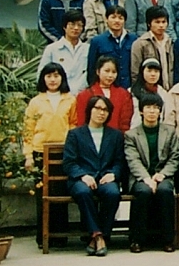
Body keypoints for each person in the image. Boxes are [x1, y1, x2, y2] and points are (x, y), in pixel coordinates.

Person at [63, 95, 125, 257]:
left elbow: (120, 161)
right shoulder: (75, 134)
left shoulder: (116, 135)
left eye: (105, 110)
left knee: (113, 193)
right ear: (89, 110)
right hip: (81, 179)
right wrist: (83, 175)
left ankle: (96, 237)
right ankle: (99, 235)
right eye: (97, 108)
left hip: (105, 177)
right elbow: (69, 162)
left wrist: (113, 174)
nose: (101, 113)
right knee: (83, 192)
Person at [24, 63, 77, 249]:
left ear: (62, 78)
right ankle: (43, 237)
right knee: (43, 195)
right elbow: (28, 130)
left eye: (56, 75)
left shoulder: (70, 100)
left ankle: (60, 236)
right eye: (49, 76)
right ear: (43, 78)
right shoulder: (35, 102)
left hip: (63, 151)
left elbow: (74, 125)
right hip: (40, 151)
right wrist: (28, 155)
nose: (53, 80)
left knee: (60, 193)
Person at [124, 93, 179, 253]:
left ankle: (168, 239)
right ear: (141, 111)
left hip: (163, 175)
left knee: (165, 190)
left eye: (156, 108)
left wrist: (162, 174)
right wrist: (146, 178)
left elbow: (174, 157)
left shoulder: (170, 132)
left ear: (160, 111)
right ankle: (137, 239)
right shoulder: (131, 135)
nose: (152, 111)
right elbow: (133, 160)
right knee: (143, 191)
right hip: (140, 177)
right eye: (148, 107)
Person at [38, 9, 89, 94]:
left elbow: (90, 73)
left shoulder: (88, 49)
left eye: (79, 25)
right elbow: (41, 74)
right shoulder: (52, 49)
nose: (76, 28)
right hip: (58, 94)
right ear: (64, 26)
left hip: (82, 94)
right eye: (72, 24)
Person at [77, 55, 134, 132]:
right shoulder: (84, 95)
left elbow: (125, 122)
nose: (110, 75)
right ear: (98, 71)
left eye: (114, 72)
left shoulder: (124, 94)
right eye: (107, 71)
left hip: (116, 137)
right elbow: (81, 122)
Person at [86, 5, 137, 90]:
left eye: (120, 18)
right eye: (113, 17)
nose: (117, 21)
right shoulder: (97, 41)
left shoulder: (133, 39)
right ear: (106, 19)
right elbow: (91, 68)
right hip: (105, 87)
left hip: (129, 87)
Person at [130, 6, 174, 90]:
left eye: (164, 22)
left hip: (169, 88)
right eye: (157, 22)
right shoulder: (140, 43)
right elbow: (135, 72)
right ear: (149, 23)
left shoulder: (171, 42)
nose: (161, 25)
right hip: (148, 90)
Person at [129, 58, 173, 129]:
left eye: (156, 71)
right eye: (149, 71)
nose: (153, 74)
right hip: (135, 131)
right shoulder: (131, 92)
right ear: (142, 72)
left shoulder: (163, 93)